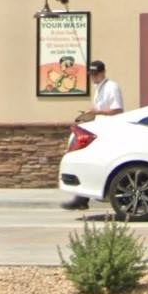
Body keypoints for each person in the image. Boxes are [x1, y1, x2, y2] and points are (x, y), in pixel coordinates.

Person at [60, 60, 124, 211]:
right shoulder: (99, 88)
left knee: (98, 162)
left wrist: (97, 112)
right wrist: (89, 114)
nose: (93, 77)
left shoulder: (112, 87)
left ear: (103, 73)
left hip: (109, 132)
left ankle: (86, 197)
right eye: (91, 74)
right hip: (99, 130)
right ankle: (82, 198)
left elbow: (118, 110)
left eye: (96, 74)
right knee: (91, 162)